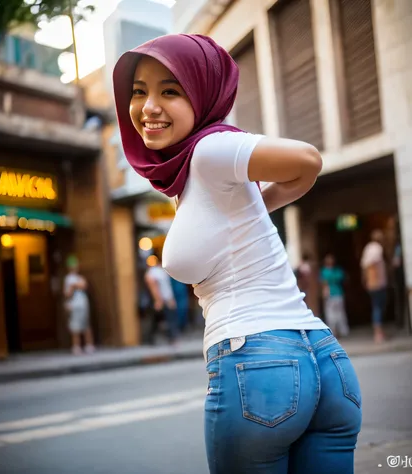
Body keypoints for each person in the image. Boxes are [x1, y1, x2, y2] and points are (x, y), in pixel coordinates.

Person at [113, 34, 362, 473]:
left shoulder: (211, 149)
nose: (148, 107)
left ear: (204, 95)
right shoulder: (195, 172)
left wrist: (260, 204)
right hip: (326, 362)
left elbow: (307, 160)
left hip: (258, 364)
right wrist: (254, 211)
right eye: (139, 92)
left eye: (169, 90)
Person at [64, 256, 95, 355]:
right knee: (75, 327)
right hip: (74, 305)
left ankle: (88, 345)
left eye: (75, 265)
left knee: (85, 325)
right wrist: (75, 286)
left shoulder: (79, 277)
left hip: (83, 304)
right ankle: (76, 346)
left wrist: (75, 285)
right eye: (72, 266)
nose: (74, 267)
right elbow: (67, 293)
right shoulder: (68, 279)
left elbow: (83, 285)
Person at [360, 229, 388, 343]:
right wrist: (376, 281)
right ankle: (378, 333)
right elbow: (372, 266)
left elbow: (364, 266)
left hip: (372, 283)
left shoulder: (368, 248)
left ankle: (379, 331)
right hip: (377, 283)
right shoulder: (377, 248)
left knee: (377, 306)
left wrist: (365, 280)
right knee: (378, 307)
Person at [145, 257, 178, 345]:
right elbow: (153, 286)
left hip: (166, 299)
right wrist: (158, 300)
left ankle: (169, 338)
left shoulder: (160, 271)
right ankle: (170, 339)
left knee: (162, 319)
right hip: (161, 300)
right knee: (165, 319)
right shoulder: (154, 272)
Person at [320, 254, 350, 338]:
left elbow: (324, 283)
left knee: (332, 313)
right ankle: (341, 331)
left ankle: (335, 331)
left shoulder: (324, 272)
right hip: (336, 293)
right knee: (339, 313)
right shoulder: (337, 271)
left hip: (332, 293)